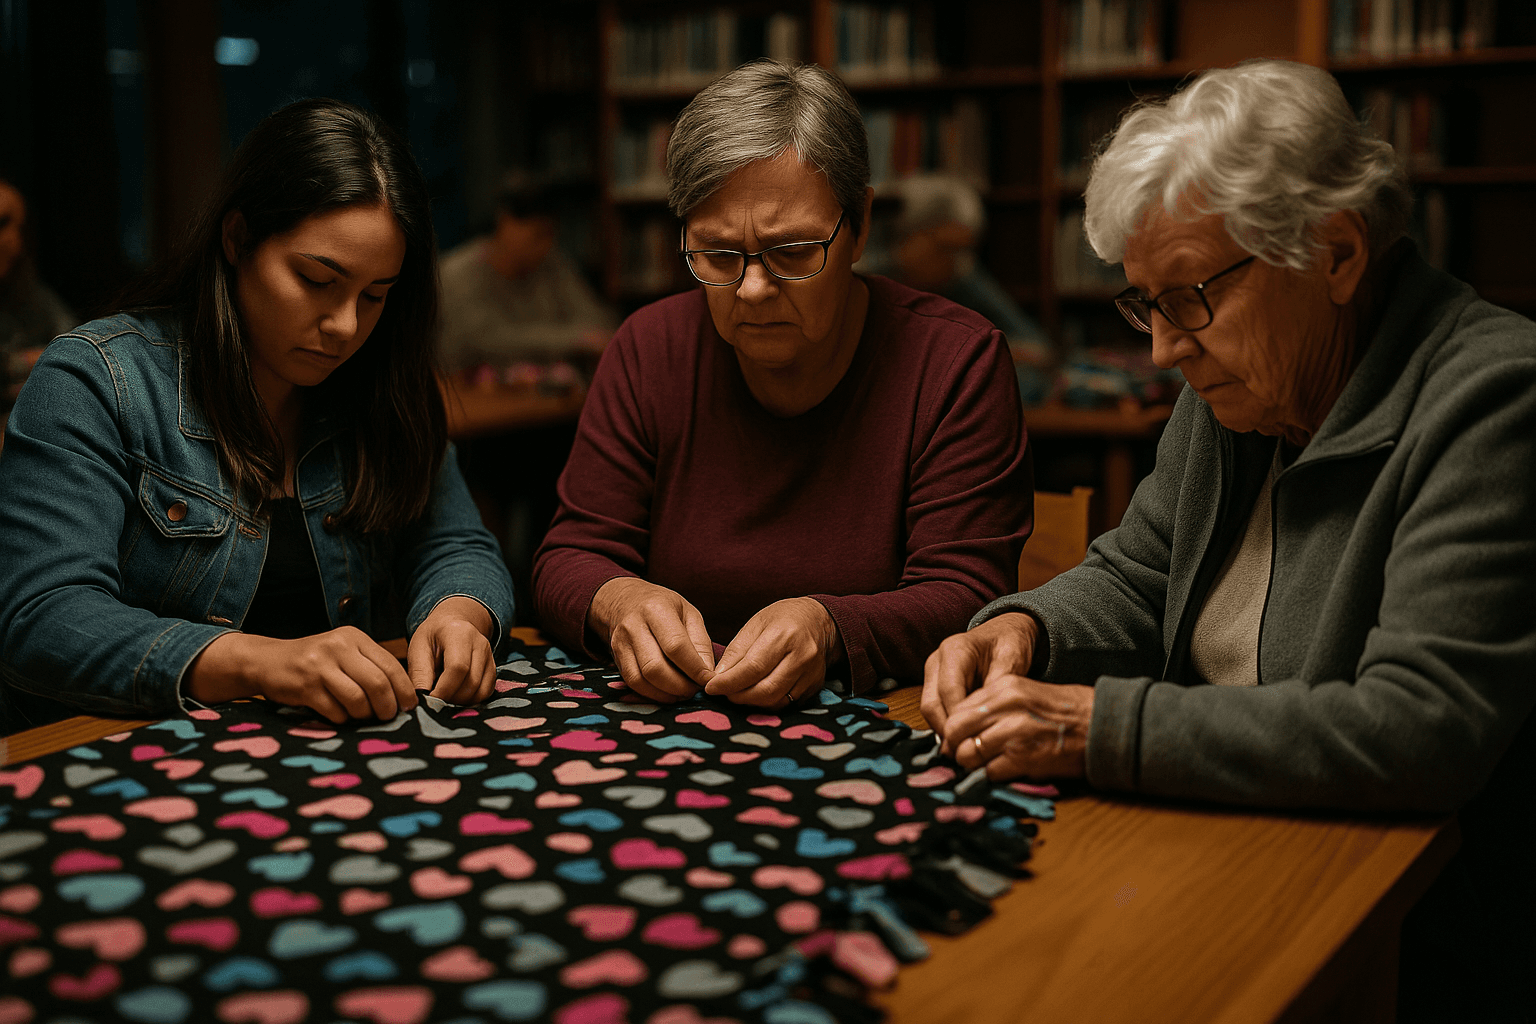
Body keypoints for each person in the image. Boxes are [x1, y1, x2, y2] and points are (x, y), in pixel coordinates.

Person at [921, 60, 1535, 1021]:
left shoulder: (1495, 400)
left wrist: (1096, 728)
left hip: (1407, 939)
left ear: (1335, 253)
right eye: (1146, 304)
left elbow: (1421, 728)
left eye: (1189, 297)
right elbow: (1136, 571)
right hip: (1220, 843)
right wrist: (1028, 631)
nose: (1164, 349)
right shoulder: (1236, 386)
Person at [0, 99, 514, 732]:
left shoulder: (383, 388)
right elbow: (43, 620)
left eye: (375, 296)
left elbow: (453, 541)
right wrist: (261, 663)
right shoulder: (98, 379)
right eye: (317, 279)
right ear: (238, 238)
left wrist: (460, 612)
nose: (346, 325)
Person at [533, 59, 1032, 709]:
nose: (753, 289)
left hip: (885, 724)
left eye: (793, 253)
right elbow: (569, 553)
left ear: (859, 229)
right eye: (717, 255)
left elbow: (970, 592)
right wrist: (618, 599)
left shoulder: (955, 363)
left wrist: (831, 628)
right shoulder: (648, 348)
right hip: (675, 725)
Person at [436, 174, 616, 375]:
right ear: (505, 222)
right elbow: (487, 340)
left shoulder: (552, 264)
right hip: (471, 396)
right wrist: (576, 340)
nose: (545, 246)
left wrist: (583, 338)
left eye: (550, 235)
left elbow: (597, 322)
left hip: (544, 394)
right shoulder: (458, 272)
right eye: (537, 235)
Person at [888, 173, 1050, 362]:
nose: (958, 263)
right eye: (946, 249)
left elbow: (1037, 348)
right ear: (907, 236)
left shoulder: (961, 278)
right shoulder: (868, 277)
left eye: (965, 251)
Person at [0, 176, 74, 428]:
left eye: (18, 229)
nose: (12, 241)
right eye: (1, 224)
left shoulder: (29, 294)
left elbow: (74, 353)